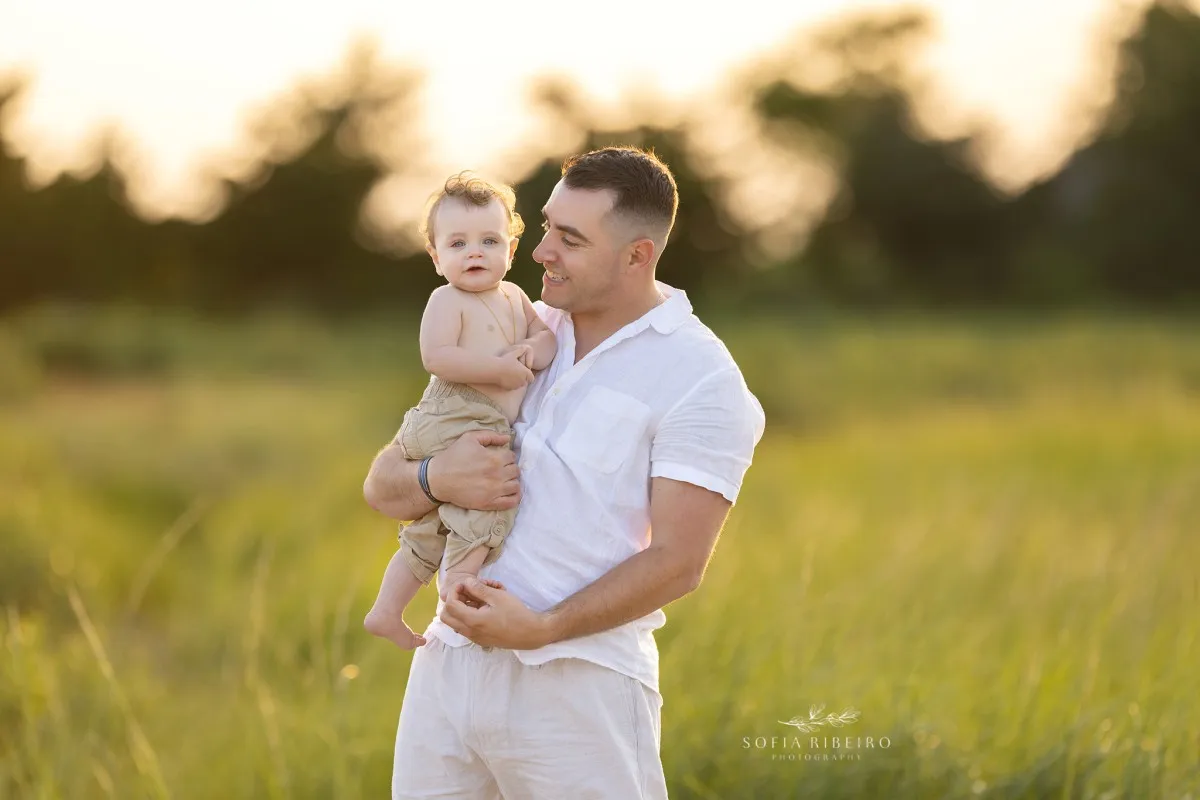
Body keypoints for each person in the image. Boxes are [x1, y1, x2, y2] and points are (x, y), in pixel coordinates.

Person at [363, 146, 765, 799]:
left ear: (637, 255)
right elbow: (383, 484)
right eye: (548, 225)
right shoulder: (514, 323)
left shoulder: (702, 378)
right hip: (447, 669)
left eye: (570, 239)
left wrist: (543, 629)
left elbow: (678, 562)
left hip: (578, 686)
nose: (542, 249)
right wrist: (436, 478)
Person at [363, 171, 556, 650]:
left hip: (476, 420)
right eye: (458, 243)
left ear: (511, 251)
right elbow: (438, 357)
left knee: (431, 527)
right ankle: (458, 585)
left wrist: (532, 350)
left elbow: (547, 339)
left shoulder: (515, 297)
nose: (475, 253)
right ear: (436, 258)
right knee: (487, 501)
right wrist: (498, 370)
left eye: (489, 241)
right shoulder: (447, 299)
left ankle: (386, 610)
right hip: (455, 411)